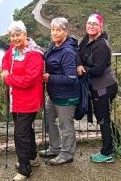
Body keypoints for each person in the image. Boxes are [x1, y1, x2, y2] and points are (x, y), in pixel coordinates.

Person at [1, 21, 45, 181]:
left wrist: (8, 78)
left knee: (20, 134)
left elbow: (28, 80)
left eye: (18, 35)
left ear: (25, 34)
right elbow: (5, 59)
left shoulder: (34, 54)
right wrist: (5, 69)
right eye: (12, 36)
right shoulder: (13, 49)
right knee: (26, 131)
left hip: (28, 101)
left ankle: (25, 169)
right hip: (15, 100)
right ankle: (33, 158)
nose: (15, 38)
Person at [77, 13, 120, 163]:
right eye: (89, 23)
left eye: (95, 24)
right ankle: (117, 145)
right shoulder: (87, 39)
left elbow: (98, 69)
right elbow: (78, 52)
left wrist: (83, 70)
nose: (91, 26)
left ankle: (107, 152)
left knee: (102, 119)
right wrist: (79, 63)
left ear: (101, 27)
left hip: (104, 87)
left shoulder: (101, 45)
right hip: (97, 86)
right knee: (105, 117)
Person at [40, 17, 80, 165]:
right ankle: (55, 148)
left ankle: (67, 154)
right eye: (53, 29)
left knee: (66, 125)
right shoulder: (54, 46)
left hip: (66, 96)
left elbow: (71, 78)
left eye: (59, 30)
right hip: (54, 94)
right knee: (48, 118)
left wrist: (49, 77)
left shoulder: (67, 52)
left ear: (66, 31)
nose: (55, 33)